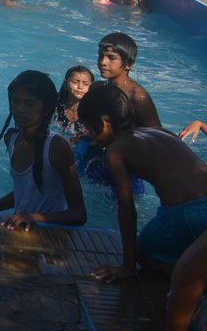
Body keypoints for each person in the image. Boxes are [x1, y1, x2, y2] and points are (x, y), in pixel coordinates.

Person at [77, 81, 207, 282]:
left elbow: (127, 208)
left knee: (142, 253)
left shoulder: (116, 151)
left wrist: (127, 265)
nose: (90, 135)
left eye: (90, 129)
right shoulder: (158, 131)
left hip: (184, 214)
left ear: (104, 124)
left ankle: (193, 279)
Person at [0, 71, 86, 231]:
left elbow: (79, 214)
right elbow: (27, 190)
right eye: (16, 101)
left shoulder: (57, 147)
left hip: (50, 236)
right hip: (19, 227)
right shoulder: (11, 138)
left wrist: (34, 217)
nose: (20, 109)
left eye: (29, 104)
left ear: (46, 108)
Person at [96, 32, 161, 128]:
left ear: (128, 64)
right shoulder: (97, 88)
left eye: (111, 57)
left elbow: (157, 134)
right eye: (101, 55)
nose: (103, 62)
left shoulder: (137, 97)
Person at [56, 65, 94, 140]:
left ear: (92, 86)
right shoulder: (55, 105)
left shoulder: (93, 112)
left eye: (86, 84)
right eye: (75, 82)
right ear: (65, 83)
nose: (80, 87)